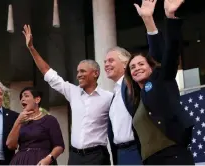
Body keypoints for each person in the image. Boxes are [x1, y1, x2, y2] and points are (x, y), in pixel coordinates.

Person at [22, 25, 113, 165]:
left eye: (83, 71)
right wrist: (31, 48)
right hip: (75, 157)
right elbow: (48, 72)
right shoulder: (73, 92)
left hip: (97, 157)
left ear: (95, 73)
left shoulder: (108, 97)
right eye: (78, 72)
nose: (78, 75)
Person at [124, 0, 194, 164]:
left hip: (173, 157)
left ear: (151, 67)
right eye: (132, 67)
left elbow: (167, 54)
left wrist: (161, 18)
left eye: (141, 64)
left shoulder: (161, 81)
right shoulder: (136, 99)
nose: (136, 68)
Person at [105, 0, 165, 165]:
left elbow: (159, 61)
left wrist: (148, 20)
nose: (106, 65)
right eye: (104, 62)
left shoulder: (136, 87)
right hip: (120, 155)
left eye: (111, 60)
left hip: (138, 151)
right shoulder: (115, 93)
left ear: (124, 64)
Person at [6, 87, 65, 165]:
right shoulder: (19, 122)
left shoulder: (49, 120)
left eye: (26, 96)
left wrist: (49, 159)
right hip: (20, 161)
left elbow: (59, 146)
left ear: (37, 100)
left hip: (41, 161)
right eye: (21, 97)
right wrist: (18, 122)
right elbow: (10, 145)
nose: (22, 99)